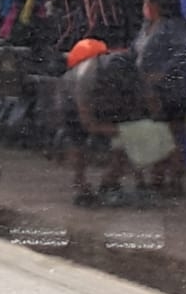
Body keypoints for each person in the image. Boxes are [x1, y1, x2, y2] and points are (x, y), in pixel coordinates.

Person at [56, 37, 146, 206]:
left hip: (101, 100)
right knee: (78, 139)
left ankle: (110, 179)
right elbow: (87, 123)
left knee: (129, 131)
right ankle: (80, 184)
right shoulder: (86, 79)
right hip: (71, 101)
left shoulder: (130, 75)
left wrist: (140, 179)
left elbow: (136, 113)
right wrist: (120, 131)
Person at [133, 0, 186, 196]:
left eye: (147, 2)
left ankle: (176, 180)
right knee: (156, 135)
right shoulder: (147, 26)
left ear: (156, 5)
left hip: (172, 90)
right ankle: (157, 178)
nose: (145, 6)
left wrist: (162, 73)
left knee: (170, 135)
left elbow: (184, 52)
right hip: (148, 91)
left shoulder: (173, 26)